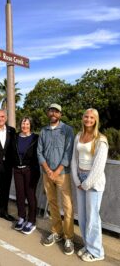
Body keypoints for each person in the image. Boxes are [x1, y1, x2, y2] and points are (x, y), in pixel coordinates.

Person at [71, 108, 108, 262]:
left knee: (93, 218)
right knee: (83, 217)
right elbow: (74, 159)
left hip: (93, 182)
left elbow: (99, 166)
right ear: (83, 118)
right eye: (86, 116)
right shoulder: (79, 136)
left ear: (96, 120)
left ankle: (97, 252)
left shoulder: (101, 139)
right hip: (80, 179)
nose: (88, 119)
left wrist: (86, 183)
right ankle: (88, 245)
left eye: (91, 117)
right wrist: (77, 180)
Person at [37, 103, 74, 255]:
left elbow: (68, 152)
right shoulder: (43, 131)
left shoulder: (67, 130)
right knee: (52, 202)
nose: (53, 113)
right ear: (48, 113)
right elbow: (39, 152)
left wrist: (57, 171)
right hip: (47, 173)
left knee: (67, 205)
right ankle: (56, 232)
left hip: (62, 173)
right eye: (51, 110)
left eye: (56, 111)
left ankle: (69, 237)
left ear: (60, 114)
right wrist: (47, 170)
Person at [13, 117, 40, 234]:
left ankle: (31, 221)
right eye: (23, 124)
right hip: (17, 170)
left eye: (27, 124)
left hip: (31, 170)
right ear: (20, 125)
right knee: (19, 195)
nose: (25, 126)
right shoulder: (15, 137)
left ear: (30, 126)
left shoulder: (36, 138)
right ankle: (22, 217)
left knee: (30, 195)